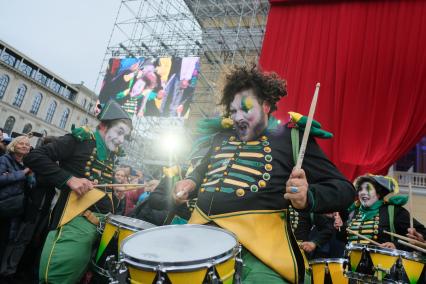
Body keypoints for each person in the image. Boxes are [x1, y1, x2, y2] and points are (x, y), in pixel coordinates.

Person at [173, 65, 355, 283]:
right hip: (199, 235)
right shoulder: (220, 137)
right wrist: (190, 183)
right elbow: (203, 174)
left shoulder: (292, 138)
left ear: (266, 106)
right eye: (233, 111)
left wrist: (309, 196)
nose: (238, 117)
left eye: (246, 109)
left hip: (259, 252)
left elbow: (345, 189)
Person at [23, 100, 132, 284]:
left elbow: (98, 184)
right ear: (104, 125)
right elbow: (35, 157)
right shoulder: (81, 139)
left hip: (96, 230)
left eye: (125, 136)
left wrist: (116, 193)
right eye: (119, 132)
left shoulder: (111, 153)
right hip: (71, 225)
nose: (121, 140)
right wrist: (69, 179)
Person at [344, 174, 426, 251]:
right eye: (360, 189)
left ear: (378, 193)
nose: (363, 192)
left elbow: (422, 233)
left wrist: (396, 245)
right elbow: (343, 239)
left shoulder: (394, 211)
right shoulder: (353, 212)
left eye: (368, 189)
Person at [0, 135, 35, 281]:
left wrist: (28, 175)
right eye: (21, 143)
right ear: (14, 145)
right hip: (2, 206)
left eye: (27, 144)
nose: (25, 146)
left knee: (4, 243)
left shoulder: (26, 164)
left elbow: (32, 184)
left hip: (14, 210)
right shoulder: (5, 160)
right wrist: (22, 173)